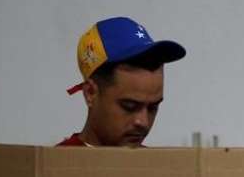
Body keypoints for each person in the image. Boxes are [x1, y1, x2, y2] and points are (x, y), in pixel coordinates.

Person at [58, 16, 186, 147]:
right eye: (129, 106)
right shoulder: (55, 159)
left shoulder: (158, 160)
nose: (143, 122)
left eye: (153, 108)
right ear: (90, 93)